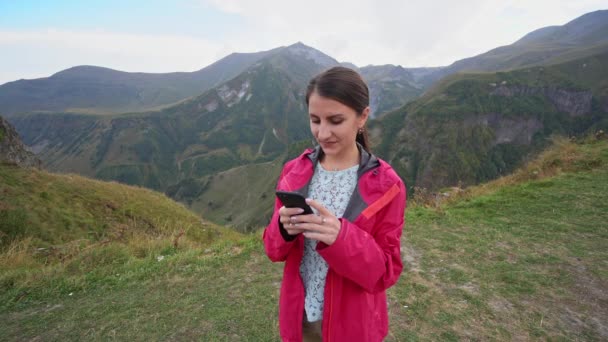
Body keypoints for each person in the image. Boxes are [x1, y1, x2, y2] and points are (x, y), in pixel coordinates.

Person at [263, 66, 406, 341]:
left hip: (351, 325)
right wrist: (282, 229)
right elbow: (273, 250)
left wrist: (342, 238)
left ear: (362, 117)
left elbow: (386, 272)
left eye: (336, 120)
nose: (323, 132)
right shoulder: (294, 172)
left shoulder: (388, 187)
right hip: (300, 317)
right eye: (315, 120)